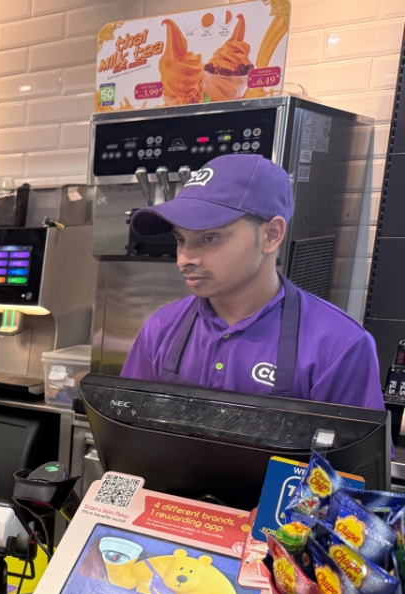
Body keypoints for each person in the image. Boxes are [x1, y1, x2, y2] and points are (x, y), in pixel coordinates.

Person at [121, 154, 384, 411]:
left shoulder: (339, 345)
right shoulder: (160, 329)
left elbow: (357, 454)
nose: (184, 259)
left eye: (209, 238)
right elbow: (127, 434)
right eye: (181, 239)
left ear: (271, 235)